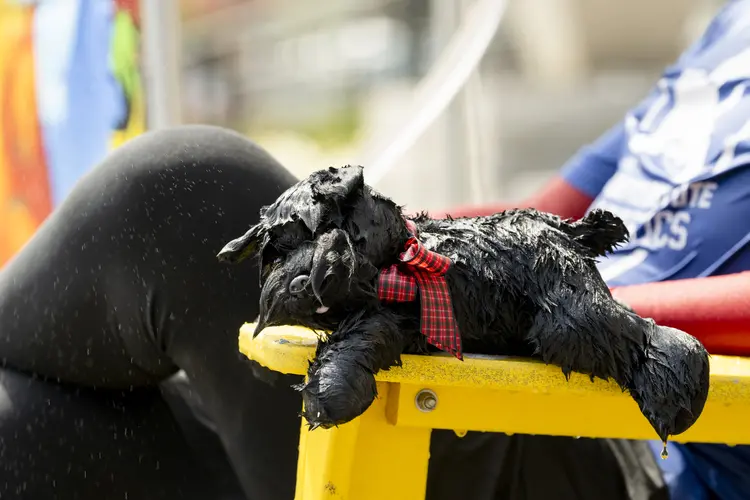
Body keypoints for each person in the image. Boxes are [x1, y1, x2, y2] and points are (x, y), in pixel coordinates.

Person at [3, 2, 750, 499]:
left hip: (625, 448)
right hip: (499, 365)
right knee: (25, 433)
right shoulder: (731, 32)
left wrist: (529, 302)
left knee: (187, 193)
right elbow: (546, 214)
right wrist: (394, 235)